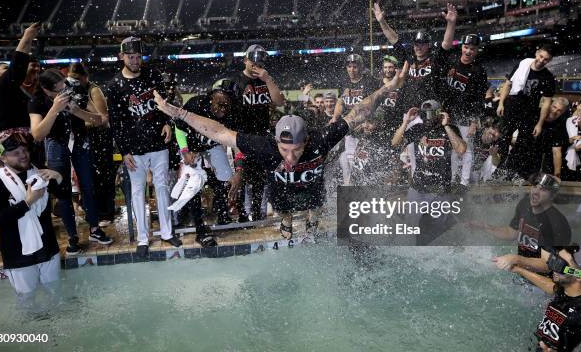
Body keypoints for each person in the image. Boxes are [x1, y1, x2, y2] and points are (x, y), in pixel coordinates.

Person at [154, 75, 400, 241]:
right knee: (283, 207)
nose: (291, 158)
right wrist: (180, 114)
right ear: (276, 143)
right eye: (285, 150)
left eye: (296, 150)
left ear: (307, 140)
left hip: (312, 187)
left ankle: (312, 220)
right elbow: (220, 132)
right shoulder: (266, 146)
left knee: (315, 206)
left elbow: (359, 112)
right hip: (281, 190)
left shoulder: (321, 140)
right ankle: (286, 220)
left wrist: (387, 88)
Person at [105, 37, 180, 256]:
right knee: (138, 193)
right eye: (131, 57)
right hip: (134, 148)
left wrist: (167, 122)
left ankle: (167, 233)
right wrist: (123, 150)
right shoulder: (115, 85)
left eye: (138, 57)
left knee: (162, 187)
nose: (136, 61)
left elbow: (163, 103)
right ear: (121, 57)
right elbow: (116, 121)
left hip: (158, 142)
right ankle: (142, 238)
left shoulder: (153, 75)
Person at [29, 69, 113, 255]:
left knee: (88, 187)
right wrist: (54, 110)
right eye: (57, 91)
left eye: (63, 87)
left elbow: (100, 120)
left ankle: (95, 229)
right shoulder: (37, 101)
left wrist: (77, 111)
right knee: (63, 191)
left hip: (80, 142)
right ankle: (72, 236)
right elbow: (37, 134)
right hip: (55, 143)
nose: (62, 92)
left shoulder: (74, 88)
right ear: (45, 90)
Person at [0, 132, 63, 300]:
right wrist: (27, 203)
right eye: (16, 153)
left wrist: (59, 177)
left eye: (24, 150)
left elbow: (64, 197)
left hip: (48, 248)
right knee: (27, 303)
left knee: (56, 295)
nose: (23, 156)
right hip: (18, 255)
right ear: (3, 158)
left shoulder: (40, 174)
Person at [173, 78, 241, 246]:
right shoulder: (195, 104)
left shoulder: (234, 113)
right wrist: (185, 151)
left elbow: (238, 144)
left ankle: (222, 214)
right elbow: (179, 128)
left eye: (227, 105)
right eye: (219, 103)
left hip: (212, 145)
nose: (222, 109)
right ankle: (199, 228)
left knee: (226, 178)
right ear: (211, 96)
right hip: (190, 147)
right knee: (193, 184)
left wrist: (238, 171)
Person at [391, 100, 467, 244]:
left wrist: (446, 126)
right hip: (418, 188)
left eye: (432, 113)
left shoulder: (451, 129)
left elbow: (461, 150)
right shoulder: (418, 128)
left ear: (440, 114)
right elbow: (395, 142)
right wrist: (406, 122)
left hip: (440, 190)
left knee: (437, 229)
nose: (428, 117)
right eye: (425, 113)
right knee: (410, 225)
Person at [231, 44, 285, 222]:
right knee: (241, 177)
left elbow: (279, 101)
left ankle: (257, 213)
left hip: (261, 135)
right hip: (241, 136)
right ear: (245, 60)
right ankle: (242, 215)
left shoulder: (265, 80)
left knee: (260, 178)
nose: (256, 67)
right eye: (253, 62)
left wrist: (268, 79)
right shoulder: (236, 81)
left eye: (260, 64)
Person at [373, 2, 458, 113]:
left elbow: (446, 44)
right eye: (416, 44)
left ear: (428, 45)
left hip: (429, 110)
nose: (418, 47)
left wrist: (451, 23)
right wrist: (382, 22)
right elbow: (394, 39)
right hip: (408, 110)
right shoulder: (409, 58)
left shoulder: (435, 59)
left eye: (422, 44)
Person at [482, 174, 571, 272]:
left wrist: (516, 259)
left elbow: (550, 265)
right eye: (534, 186)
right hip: (520, 271)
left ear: (552, 196)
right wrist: (486, 227)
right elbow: (512, 232)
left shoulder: (557, 224)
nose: (535, 192)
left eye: (543, 189)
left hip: (541, 282)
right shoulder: (525, 204)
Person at [67, 62, 118, 227]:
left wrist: (79, 121)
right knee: (88, 178)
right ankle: (94, 211)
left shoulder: (93, 90)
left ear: (84, 77)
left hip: (99, 138)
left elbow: (103, 118)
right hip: (84, 140)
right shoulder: (72, 91)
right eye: (71, 78)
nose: (74, 82)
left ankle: (106, 212)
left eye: (76, 78)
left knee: (102, 176)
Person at [495, 44, 557, 180]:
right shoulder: (522, 65)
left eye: (546, 59)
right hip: (512, 105)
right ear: (537, 53)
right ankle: (498, 168)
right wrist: (500, 103)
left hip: (530, 112)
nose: (542, 61)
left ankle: (511, 171)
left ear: (549, 61)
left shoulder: (548, 78)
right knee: (503, 137)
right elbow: (508, 84)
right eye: (541, 56)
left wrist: (540, 124)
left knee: (523, 145)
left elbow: (546, 103)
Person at [437, 34, 489, 189]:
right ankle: (453, 180)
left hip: (466, 114)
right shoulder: (451, 61)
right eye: (466, 47)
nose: (468, 51)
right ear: (461, 46)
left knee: (467, 149)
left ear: (477, 50)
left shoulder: (479, 71)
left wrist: (474, 121)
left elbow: (480, 99)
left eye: (472, 49)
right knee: (453, 149)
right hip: (448, 113)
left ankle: (464, 182)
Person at [0, 23, 42, 172]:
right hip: (13, 147)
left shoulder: (11, 92)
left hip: (19, 143)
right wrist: (27, 37)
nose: (8, 70)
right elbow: (17, 68)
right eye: (5, 68)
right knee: (16, 188)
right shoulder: (1, 88)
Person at [331, 54, 381, 185]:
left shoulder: (369, 81)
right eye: (349, 67)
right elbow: (340, 102)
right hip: (350, 130)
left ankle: (370, 188)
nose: (352, 70)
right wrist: (335, 117)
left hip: (366, 130)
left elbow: (372, 104)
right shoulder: (344, 82)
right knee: (349, 161)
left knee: (362, 163)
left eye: (355, 67)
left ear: (361, 67)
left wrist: (365, 121)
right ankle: (349, 188)